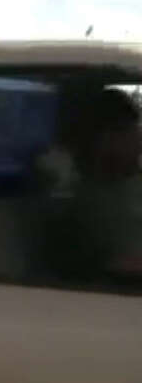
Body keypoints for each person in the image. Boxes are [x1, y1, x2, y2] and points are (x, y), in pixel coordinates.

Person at [72, 88, 142, 279]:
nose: (137, 136)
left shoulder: (131, 182)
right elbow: (123, 264)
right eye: (121, 130)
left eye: (133, 127)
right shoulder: (95, 202)